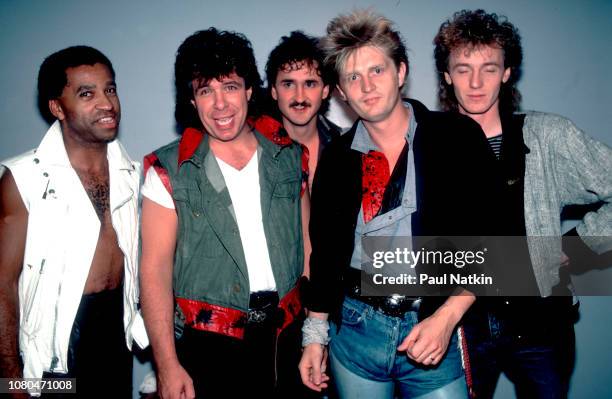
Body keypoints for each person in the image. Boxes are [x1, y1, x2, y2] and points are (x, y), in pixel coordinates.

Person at [299, 9, 498, 399]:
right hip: (355, 331)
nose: (367, 86)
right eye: (353, 77)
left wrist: (448, 317)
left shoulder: (456, 138)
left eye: (377, 71)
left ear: (401, 72)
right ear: (340, 91)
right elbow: (325, 256)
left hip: (433, 323)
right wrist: (313, 337)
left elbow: (498, 241)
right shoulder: (338, 158)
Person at [433, 9, 612, 398]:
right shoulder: (428, 144)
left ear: (508, 72)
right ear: (447, 76)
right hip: (461, 325)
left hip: (541, 322)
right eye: (463, 69)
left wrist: (579, 244)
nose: (476, 82)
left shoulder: (548, 135)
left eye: (489, 68)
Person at [139, 28, 309, 398]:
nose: (220, 104)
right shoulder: (169, 169)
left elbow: (308, 251)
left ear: (249, 90)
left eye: (230, 87)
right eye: (205, 91)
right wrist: (167, 366)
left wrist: (315, 338)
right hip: (209, 344)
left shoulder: (288, 155)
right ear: (192, 100)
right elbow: (153, 273)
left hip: (288, 338)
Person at [0, 46, 145, 398]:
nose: (107, 103)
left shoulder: (133, 174)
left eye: (110, 89)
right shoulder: (23, 179)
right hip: (53, 355)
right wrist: (12, 384)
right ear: (57, 107)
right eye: (87, 93)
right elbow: (1, 284)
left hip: (115, 339)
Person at [265, 31, 342, 192]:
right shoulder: (256, 148)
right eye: (288, 84)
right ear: (273, 91)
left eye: (310, 84)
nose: (299, 97)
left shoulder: (345, 146)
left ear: (325, 90)